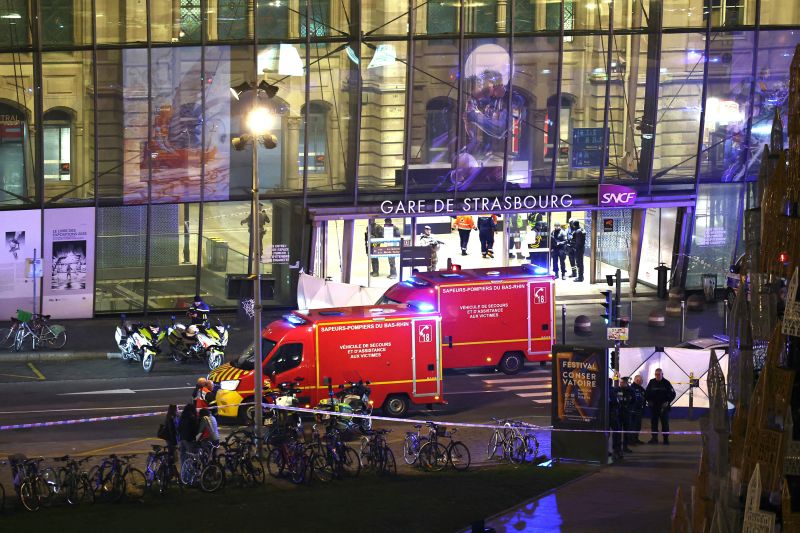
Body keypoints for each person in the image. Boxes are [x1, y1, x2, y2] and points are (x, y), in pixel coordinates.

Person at [645, 368, 676, 445]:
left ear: (662, 374)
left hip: (663, 408)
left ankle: (665, 439)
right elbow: (647, 393)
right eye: (656, 374)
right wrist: (649, 401)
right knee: (654, 424)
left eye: (659, 374)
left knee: (665, 424)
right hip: (654, 408)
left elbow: (673, 394)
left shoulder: (666, 383)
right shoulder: (651, 382)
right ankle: (654, 439)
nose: (657, 376)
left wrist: (668, 402)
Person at [159, 404, 179, 470]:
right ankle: (169, 470)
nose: (178, 409)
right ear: (174, 409)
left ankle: (170, 470)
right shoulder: (171, 418)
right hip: (170, 439)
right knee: (171, 455)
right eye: (177, 408)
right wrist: (175, 442)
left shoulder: (173, 416)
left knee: (172, 455)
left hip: (170, 438)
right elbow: (172, 431)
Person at [618, 377, 635, 452]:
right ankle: (617, 448)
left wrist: (628, 408)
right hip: (618, 414)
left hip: (627, 414)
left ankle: (625, 447)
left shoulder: (631, 390)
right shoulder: (617, 390)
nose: (620, 384)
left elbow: (634, 401)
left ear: (626, 383)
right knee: (617, 432)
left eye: (622, 383)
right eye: (620, 382)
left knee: (626, 431)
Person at [629, 375, 646, 445]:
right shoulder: (631, 388)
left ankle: (636, 439)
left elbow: (644, 398)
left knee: (638, 426)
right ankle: (631, 440)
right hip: (632, 411)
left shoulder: (641, 389)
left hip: (639, 410)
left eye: (642, 380)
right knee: (632, 426)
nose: (642, 382)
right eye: (641, 380)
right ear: (637, 380)